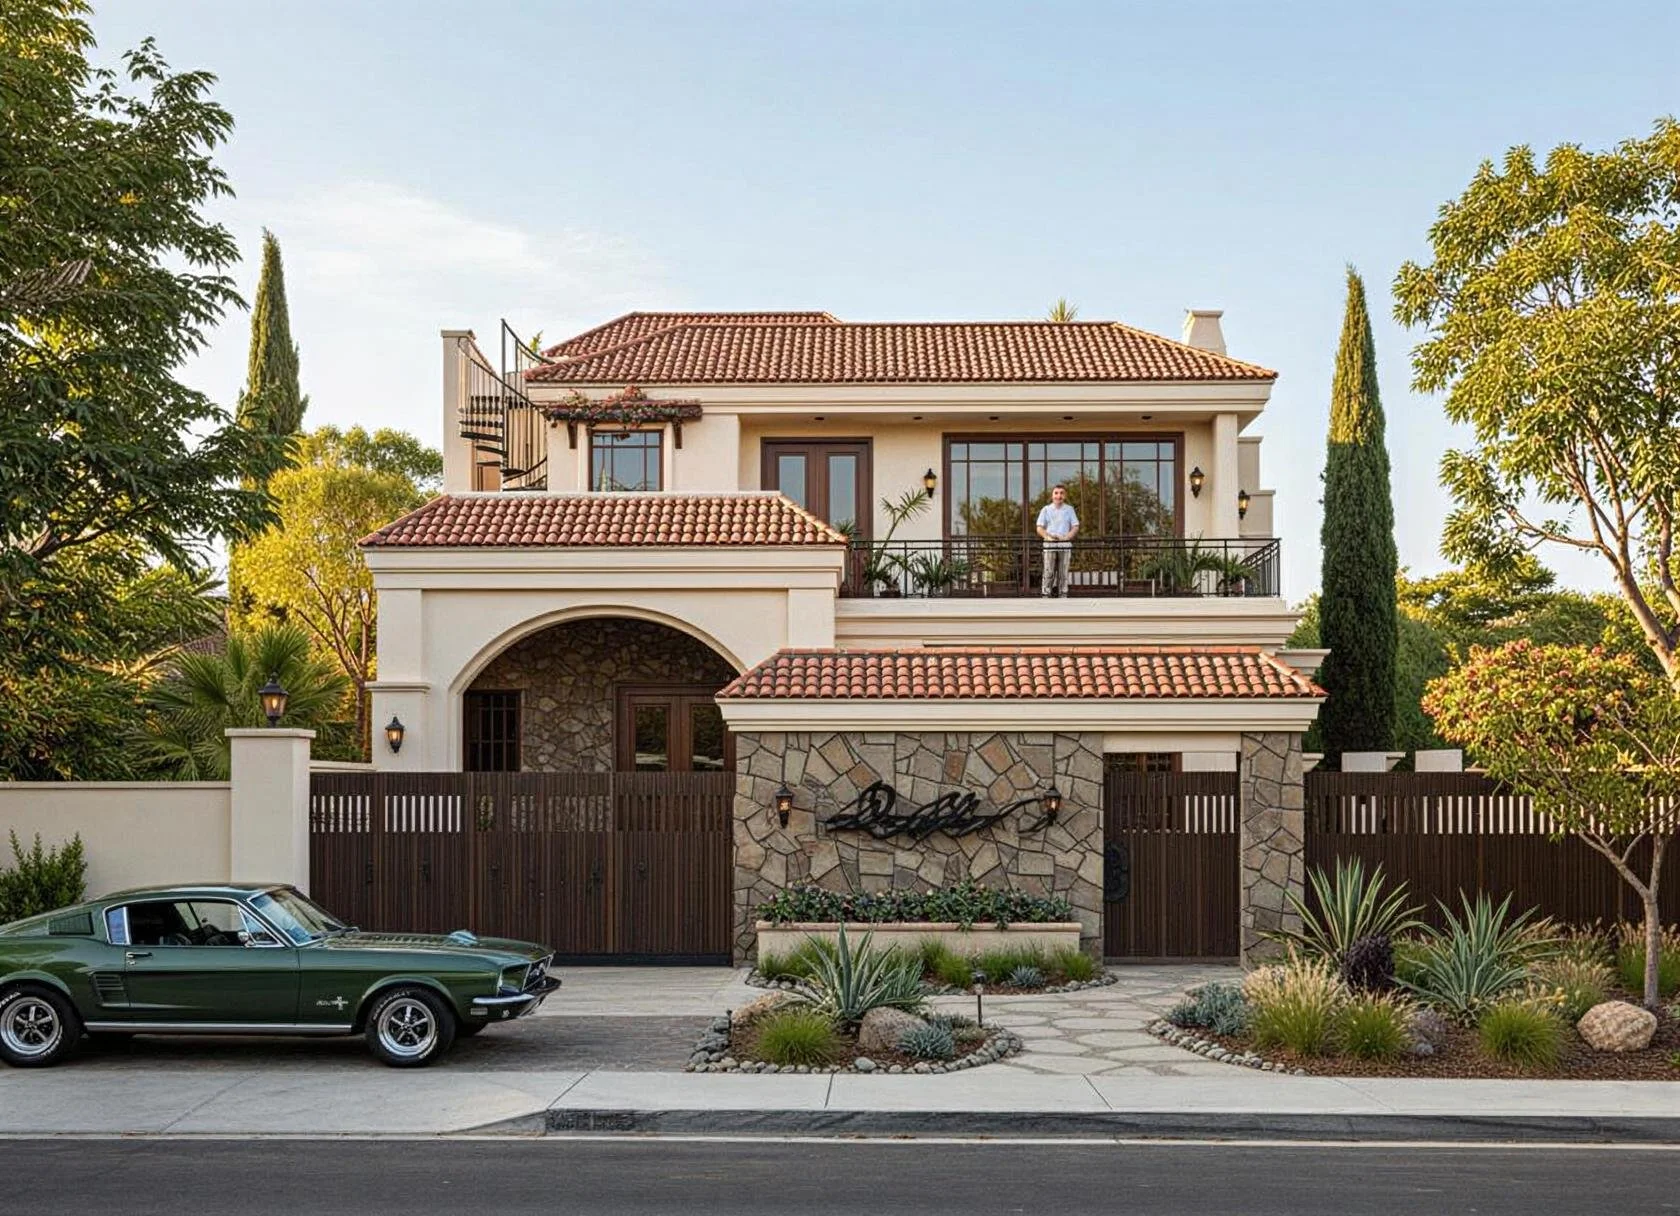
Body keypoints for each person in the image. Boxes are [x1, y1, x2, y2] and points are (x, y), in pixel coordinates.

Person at [1034, 484, 1079, 598]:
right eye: (1056, 493)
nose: (1059, 496)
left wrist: (1067, 537)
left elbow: (1075, 526)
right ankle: (1046, 592)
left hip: (1064, 543)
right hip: (1050, 543)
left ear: (1065, 495)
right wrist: (1047, 536)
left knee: (1064, 570)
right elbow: (1039, 527)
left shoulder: (1069, 509)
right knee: (1048, 569)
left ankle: (1063, 593)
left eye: (1061, 493)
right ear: (1052, 495)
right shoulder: (1046, 509)